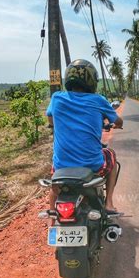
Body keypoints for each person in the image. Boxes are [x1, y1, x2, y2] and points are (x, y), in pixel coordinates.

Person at [46, 59, 123, 214]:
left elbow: (50, 119)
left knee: (56, 182)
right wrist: (117, 124)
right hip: (92, 165)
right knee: (112, 156)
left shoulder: (57, 98)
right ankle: (108, 203)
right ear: (91, 80)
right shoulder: (98, 100)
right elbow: (118, 121)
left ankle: (51, 220)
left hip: (62, 165)